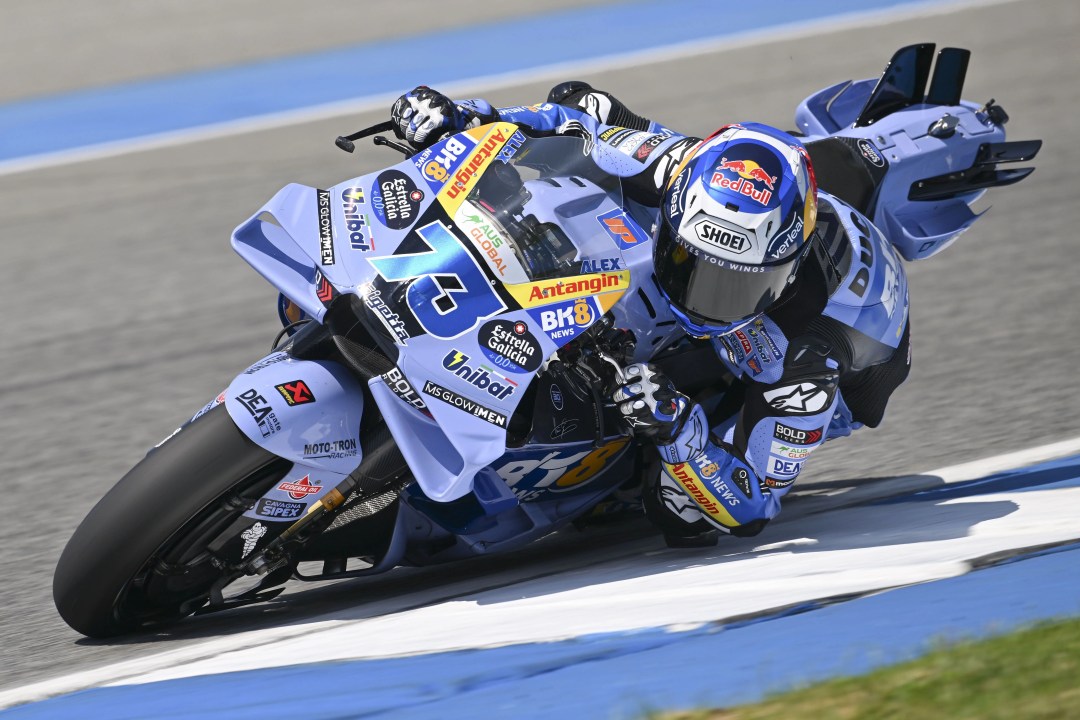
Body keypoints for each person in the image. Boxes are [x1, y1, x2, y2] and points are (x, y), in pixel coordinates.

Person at [389, 84, 911, 546]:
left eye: (737, 284)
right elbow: (577, 118)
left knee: (683, 514)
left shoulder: (808, 356)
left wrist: (680, 429)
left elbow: (754, 506)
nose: (705, 298)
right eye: (692, 266)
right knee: (576, 103)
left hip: (844, 363)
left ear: (784, 270)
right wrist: (468, 117)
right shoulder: (673, 166)